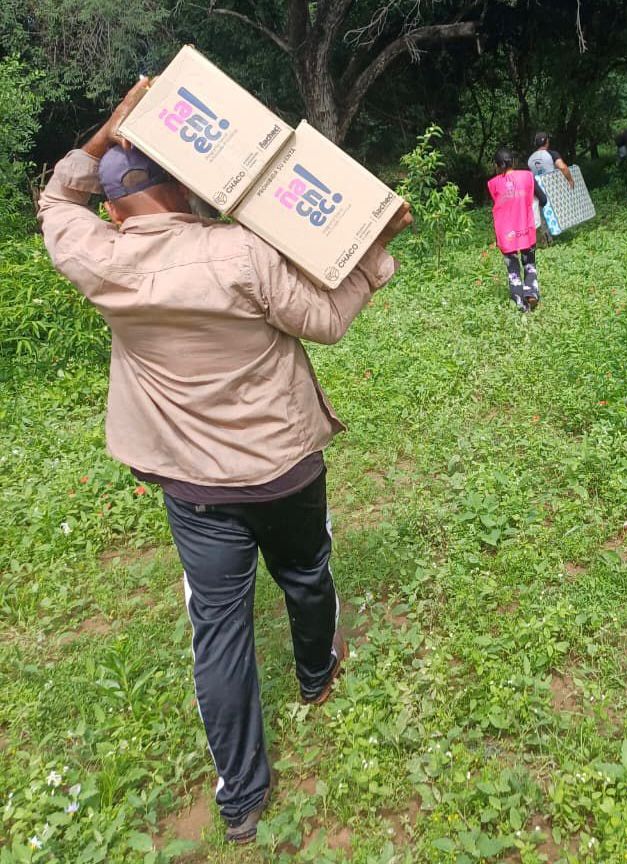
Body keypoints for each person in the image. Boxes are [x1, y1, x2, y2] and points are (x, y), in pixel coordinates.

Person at [36, 79, 412, 844]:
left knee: (218, 627)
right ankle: (315, 676)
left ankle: (240, 800)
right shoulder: (238, 251)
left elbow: (55, 201)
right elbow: (328, 320)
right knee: (306, 575)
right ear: (185, 187)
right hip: (282, 465)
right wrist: (377, 250)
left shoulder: (95, 257)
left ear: (112, 210)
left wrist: (107, 133)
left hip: (193, 486)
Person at [488, 147, 548, 313]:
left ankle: (520, 303)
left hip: (506, 233)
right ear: (513, 161)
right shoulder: (528, 177)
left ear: (497, 165)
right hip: (525, 229)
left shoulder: (492, 184)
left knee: (513, 270)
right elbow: (543, 199)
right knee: (529, 263)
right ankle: (532, 292)